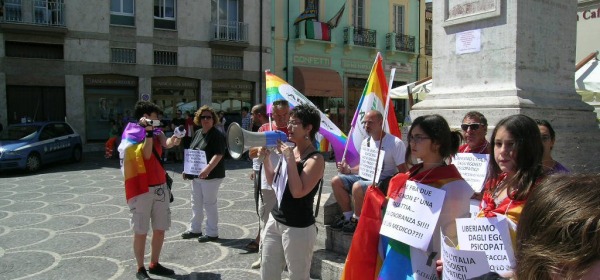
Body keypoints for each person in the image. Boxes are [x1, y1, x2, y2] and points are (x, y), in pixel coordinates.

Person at [118, 101, 184, 280]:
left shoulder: (157, 132)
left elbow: (167, 144)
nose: (158, 120)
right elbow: (146, 154)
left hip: (160, 186)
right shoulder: (132, 132)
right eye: (156, 117)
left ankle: (154, 263)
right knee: (141, 231)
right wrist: (147, 133)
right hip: (142, 189)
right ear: (145, 116)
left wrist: (176, 138)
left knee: (160, 228)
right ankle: (140, 268)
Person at [260, 103, 325, 280]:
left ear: (308, 128)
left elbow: (298, 192)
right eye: (289, 122)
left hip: (298, 227)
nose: (288, 127)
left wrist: (289, 159)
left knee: (297, 275)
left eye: (294, 123)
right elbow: (274, 182)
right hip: (275, 219)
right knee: (268, 271)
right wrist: (266, 160)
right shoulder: (291, 150)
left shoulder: (315, 159)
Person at [330, 110, 408, 233]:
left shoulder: (395, 143)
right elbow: (364, 166)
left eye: (370, 123)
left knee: (357, 186)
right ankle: (348, 217)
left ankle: (357, 220)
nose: (366, 126)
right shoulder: (366, 142)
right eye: (365, 123)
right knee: (336, 180)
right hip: (365, 178)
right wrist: (349, 170)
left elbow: (403, 171)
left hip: (383, 182)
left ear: (381, 123)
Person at [478, 114, 545, 227]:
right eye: (498, 144)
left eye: (511, 144)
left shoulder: (540, 191)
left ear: (529, 147)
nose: (503, 151)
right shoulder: (493, 184)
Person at [250, 100, 291, 269]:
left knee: (288, 223)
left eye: (285, 115)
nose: (282, 119)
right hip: (267, 184)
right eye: (278, 115)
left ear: (289, 113)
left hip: (288, 183)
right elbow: (251, 153)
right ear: (272, 114)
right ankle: (263, 256)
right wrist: (259, 151)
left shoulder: (294, 129)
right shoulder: (263, 129)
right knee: (265, 220)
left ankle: (286, 259)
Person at [180, 106, 227, 243]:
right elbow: (192, 154)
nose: (206, 120)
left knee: (209, 203)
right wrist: (187, 169)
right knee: (196, 203)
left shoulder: (217, 135)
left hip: (212, 176)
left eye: (208, 117)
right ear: (199, 119)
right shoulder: (198, 132)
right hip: (196, 176)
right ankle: (195, 229)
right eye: (203, 117)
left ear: (213, 119)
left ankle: (212, 232)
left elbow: (219, 154)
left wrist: (208, 169)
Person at [245, 103, 269, 253]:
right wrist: (254, 169)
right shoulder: (261, 128)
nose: (251, 118)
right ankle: (261, 236)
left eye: (252, 115)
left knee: (262, 207)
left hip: (265, 172)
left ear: (259, 115)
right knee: (261, 207)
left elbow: (255, 152)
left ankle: (261, 239)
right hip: (259, 170)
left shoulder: (266, 129)